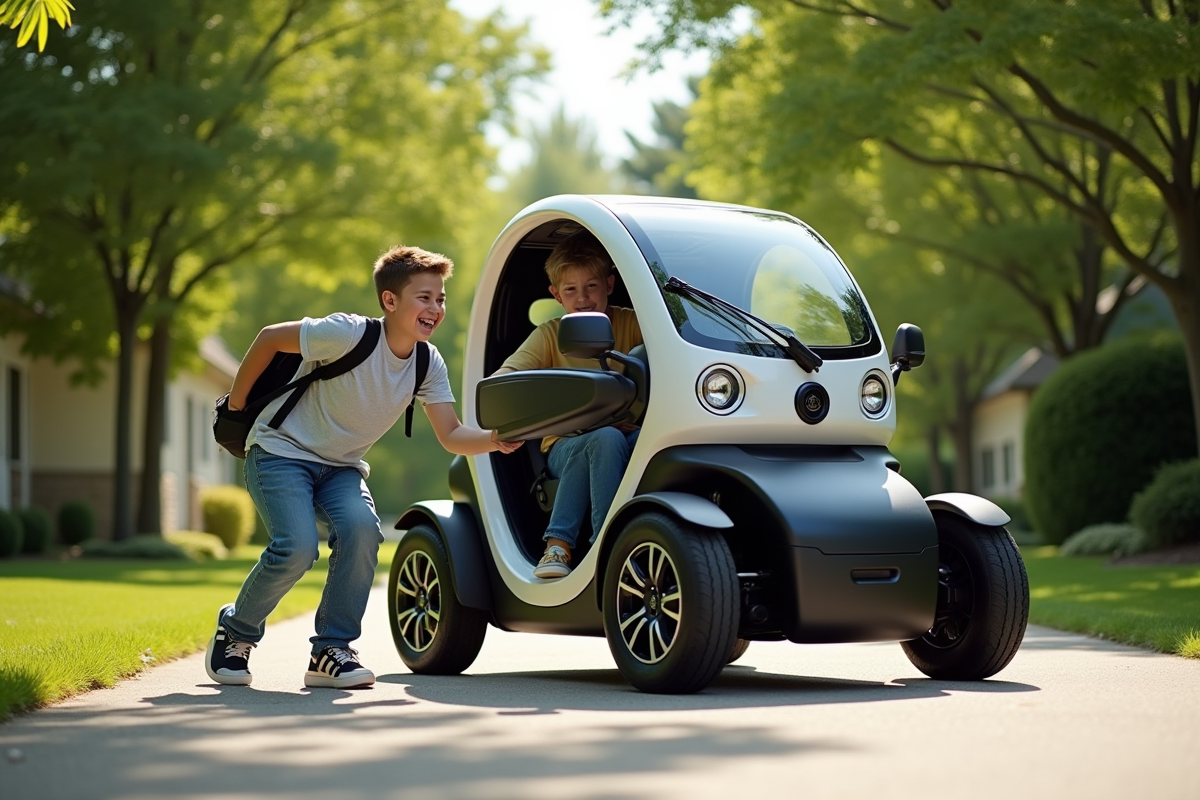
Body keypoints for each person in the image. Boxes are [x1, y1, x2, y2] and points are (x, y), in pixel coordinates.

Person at [206, 245, 521, 689]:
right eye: (424, 297)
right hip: (281, 451)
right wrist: (237, 408)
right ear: (390, 301)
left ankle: (330, 651)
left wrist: (494, 439)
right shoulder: (348, 333)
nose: (435, 308)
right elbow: (270, 337)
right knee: (296, 548)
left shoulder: (428, 363)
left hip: (341, 467)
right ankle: (236, 632)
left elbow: (450, 433)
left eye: (441, 299)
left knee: (362, 530)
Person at [495, 230, 643, 580]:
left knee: (659, 445)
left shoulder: (633, 324)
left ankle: (562, 545)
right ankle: (608, 547)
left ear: (609, 284)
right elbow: (505, 380)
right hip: (563, 444)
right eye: (571, 290)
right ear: (556, 295)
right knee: (604, 439)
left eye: (591, 286)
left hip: (630, 438)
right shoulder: (550, 334)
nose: (583, 299)